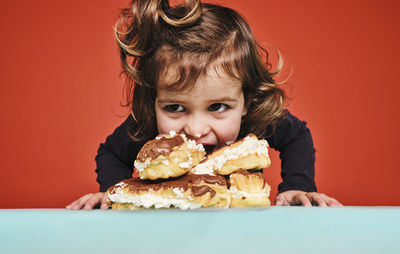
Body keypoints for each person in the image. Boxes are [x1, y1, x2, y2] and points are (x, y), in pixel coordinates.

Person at [66, 0, 342, 210]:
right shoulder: (146, 128)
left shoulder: (256, 120)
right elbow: (111, 153)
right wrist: (114, 192)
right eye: (174, 108)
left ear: (246, 100)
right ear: (154, 103)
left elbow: (297, 136)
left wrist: (296, 187)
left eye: (218, 107)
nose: (196, 130)